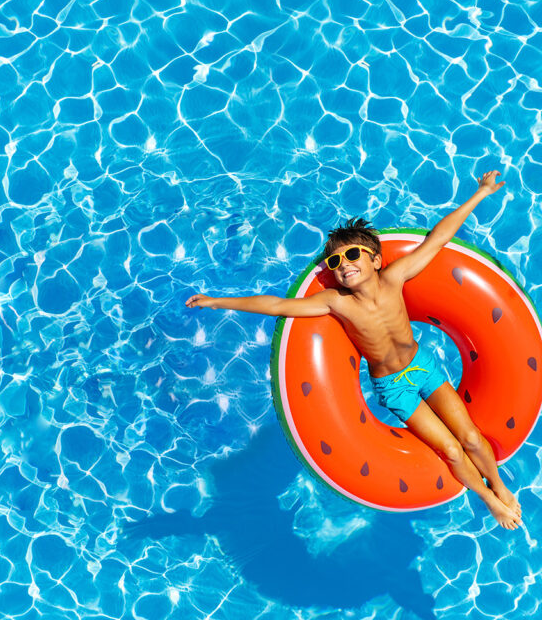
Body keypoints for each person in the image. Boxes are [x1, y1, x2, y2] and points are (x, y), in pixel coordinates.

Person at [186, 171, 522, 529]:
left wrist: (481, 193)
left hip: (423, 366)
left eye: (353, 255)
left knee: (470, 436)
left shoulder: (394, 279)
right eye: (335, 262)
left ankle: (500, 487)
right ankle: (489, 501)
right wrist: (218, 300)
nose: (344, 264)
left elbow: (437, 238)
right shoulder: (336, 302)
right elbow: (276, 306)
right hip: (394, 386)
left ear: (375, 259)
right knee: (452, 449)